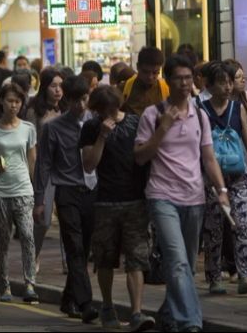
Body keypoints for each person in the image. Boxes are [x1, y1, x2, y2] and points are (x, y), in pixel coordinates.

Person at [135, 54, 230, 332]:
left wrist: (221, 190)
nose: (185, 83)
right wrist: (163, 128)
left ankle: (168, 315)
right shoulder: (152, 115)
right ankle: (191, 322)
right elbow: (140, 157)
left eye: (189, 78)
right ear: (168, 80)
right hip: (162, 196)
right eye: (179, 78)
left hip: (195, 198)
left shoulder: (200, 115)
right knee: (176, 262)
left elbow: (209, 158)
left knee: (186, 266)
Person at [81, 85, 155, 332]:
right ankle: (108, 306)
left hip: (135, 201)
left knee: (136, 258)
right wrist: (102, 135)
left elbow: (145, 157)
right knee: (105, 259)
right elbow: (89, 165)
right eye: (103, 110)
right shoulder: (92, 127)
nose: (109, 114)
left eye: (112, 108)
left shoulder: (135, 123)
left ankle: (136, 312)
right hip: (105, 202)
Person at [34, 75, 98, 324]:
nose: (80, 106)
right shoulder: (53, 127)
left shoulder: (96, 123)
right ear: (66, 101)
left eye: (84, 100)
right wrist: (40, 200)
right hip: (67, 191)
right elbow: (44, 164)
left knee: (85, 247)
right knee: (73, 245)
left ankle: (68, 298)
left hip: (92, 191)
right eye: (75, 101)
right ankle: (86, 302)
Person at [198, 62, 247, 296]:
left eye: (229, 81)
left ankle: (246, 275)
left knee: (242, 226)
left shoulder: (238, 108)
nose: (227, 86)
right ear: (209, 85)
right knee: (213, 228)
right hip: (211, 179)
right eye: (221, 82)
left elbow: (246, 137)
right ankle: (214, 277)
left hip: (237, 175)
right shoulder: (201, 109)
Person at [0, 83, 39, 305]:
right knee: (3, 240)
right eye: (10, 100)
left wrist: (36, 188)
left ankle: (30, 284)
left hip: (24, 190)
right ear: (1, 102)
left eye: (17, 101)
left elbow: (32, 159)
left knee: (27, 236)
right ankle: (4, 284)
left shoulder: (28, 129)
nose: (13, 105)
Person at [26, 68, 65, 268]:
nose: (58, 90)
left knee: (68, 218)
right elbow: (30, 143)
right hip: (44, 169)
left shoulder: (66, 109)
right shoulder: (34, 110)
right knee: (43, 220)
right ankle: (34, 255)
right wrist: (33, 173)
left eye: (61, 86)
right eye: (53, 86)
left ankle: (69, 262)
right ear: (45, 87)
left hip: (65, 167)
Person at [123, 47, 170, 116]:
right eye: (145, 72)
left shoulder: (166, 88)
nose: (150, 77)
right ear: (137, 67)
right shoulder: (125, 87)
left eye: (155, 72)